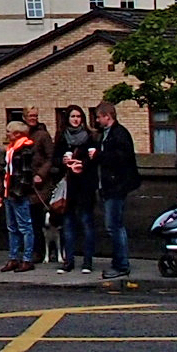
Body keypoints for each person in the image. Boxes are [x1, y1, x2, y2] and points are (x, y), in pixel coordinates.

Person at [91, 103, 141, 280]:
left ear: (107, 116)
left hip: (116, 186)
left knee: (115, 226)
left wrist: (98, 156)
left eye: (98, 117)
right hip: (108, 186)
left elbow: (121, 159)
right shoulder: (106, 134)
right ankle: (118, 262)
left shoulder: (119, 134)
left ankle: (121, 264)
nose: (97, 120)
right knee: (113, 226)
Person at [56, 105, 98, 274]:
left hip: (85, 185)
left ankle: (87, 262)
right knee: (68, 224)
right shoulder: (62, 137)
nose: (76, 119)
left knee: (87, 223)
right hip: (69, 186)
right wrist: (63, 161)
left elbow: (96, 160)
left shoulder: (90, 137)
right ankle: (69, 261)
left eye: (79, 116)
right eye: (73, 116)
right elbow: (55, 159)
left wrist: (83, 164)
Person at [1, 118, 43, 271]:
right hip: (9, 192)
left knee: (25, 227)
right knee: (12, 227)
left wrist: (18, 192)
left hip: (18, 193)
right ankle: (13, 257)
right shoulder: (12, 149)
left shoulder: (25, 150)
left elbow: (26, 175)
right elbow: (8, 173)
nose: (6, 135)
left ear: (17, 134)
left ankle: (27, 258)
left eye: (8, 132)